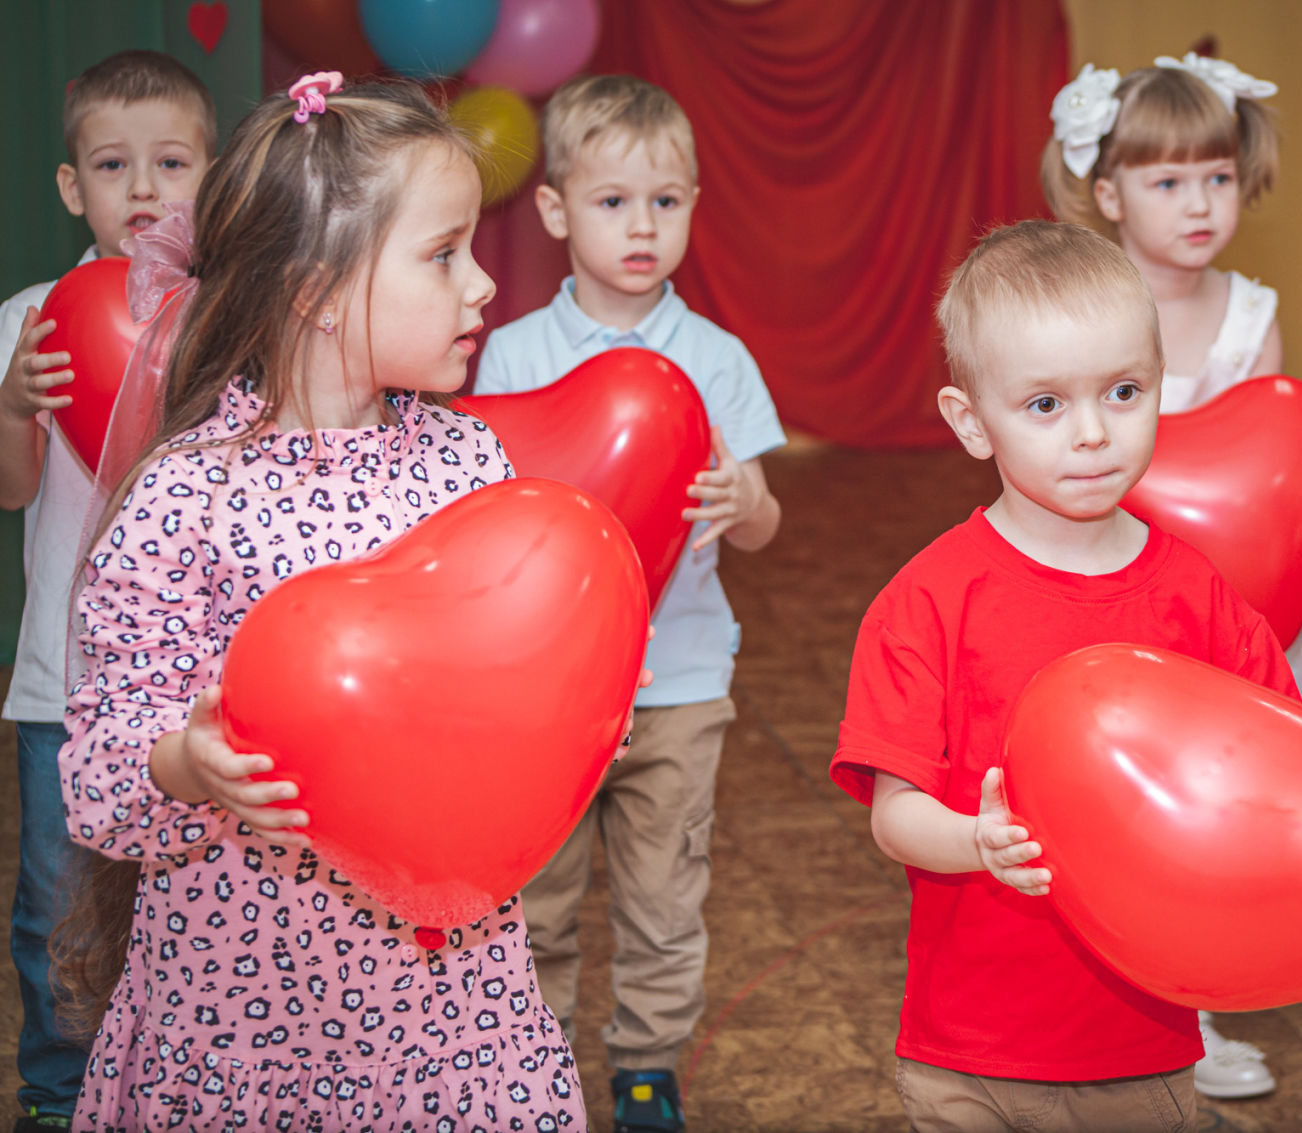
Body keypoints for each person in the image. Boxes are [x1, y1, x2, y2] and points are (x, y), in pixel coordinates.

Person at [51, 76, 591, 1130]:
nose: (482, 283)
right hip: (244, 1001)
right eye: (443, 254)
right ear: (316, 291)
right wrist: (188, 761)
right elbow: (100, 770)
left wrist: (575, 699)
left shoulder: (468, 463)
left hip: (447, 1004)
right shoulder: (188, 496)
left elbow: (501, 687)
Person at [832, 218, 1301, 1133]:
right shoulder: (925, 602)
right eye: (1045, 404)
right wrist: (979, 842)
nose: (1092, 433)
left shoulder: (1198, 598)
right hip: (968, 1053)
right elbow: (894, 815)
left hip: (1142, 1050)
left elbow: (1271, 774)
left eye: (1124, 391)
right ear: (972, 422)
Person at [1041, 51, 1302, 1097]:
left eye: (1216, 177)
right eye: (1167, 180)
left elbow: (1267, 469)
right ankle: (1107, 997)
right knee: (1111, 811)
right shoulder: (1087, 305)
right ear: (1107, 192)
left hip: (1217, 612)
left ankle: (1193, 1007)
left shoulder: (1250, 314)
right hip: (1101, 603)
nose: (1199, 203)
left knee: (1209, 811)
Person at [479, 74, 784, 1133]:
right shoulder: (513, 355)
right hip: (551, 694)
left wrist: (744, 500)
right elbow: (492, 521)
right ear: (556, 209)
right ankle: (533, 1069)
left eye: (665, 200)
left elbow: (763, 523)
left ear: (694, 205)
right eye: (613, 201)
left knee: (664, 899)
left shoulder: (717, 358)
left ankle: (646, 1067)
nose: (642, 225)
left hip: (680, 681)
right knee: (538, 899)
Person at [0, 49, 216, 1133]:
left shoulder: (228, 319)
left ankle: (173, 1088)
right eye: (112, 164)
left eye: (171, 163)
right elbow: (12, 490)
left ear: (212, 180)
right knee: (56, 903)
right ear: (69, 185)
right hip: (63, 677)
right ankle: (57, 1085)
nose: (142, 188)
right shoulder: (31, 317)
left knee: (186, 902)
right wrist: (13, 409)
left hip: (197, 688)